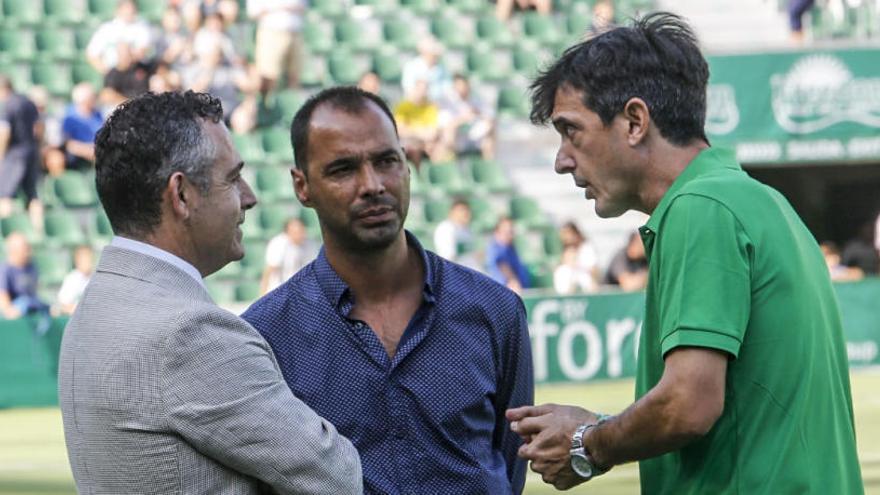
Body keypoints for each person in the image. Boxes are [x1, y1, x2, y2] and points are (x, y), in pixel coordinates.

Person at [506, 12, 862, 494]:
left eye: (572, 131)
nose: (562, 160)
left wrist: (587, 443)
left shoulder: (700, 208)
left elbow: (688, 404)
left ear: (635, 121)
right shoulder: (758, 201)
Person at [58, 91, 361, 494]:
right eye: (232, 178)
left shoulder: (95, 309)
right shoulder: (189, 334)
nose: (249, 197)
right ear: (181, 195)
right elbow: (335, 477)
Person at [242, 86, 533, 494]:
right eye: (343, 169)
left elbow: (508, 464)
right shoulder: (265, 335)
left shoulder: (495, 310)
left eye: (386, 161)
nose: (372, 184)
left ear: (407, 166)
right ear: (301, 186)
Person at [0, 75, 43, 227]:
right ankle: (38, 232)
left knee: (5, 195)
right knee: (33, 196)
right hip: (31, 151)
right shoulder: (28, 102)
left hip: (14, 154)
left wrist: (1, 156)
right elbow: (39, 128)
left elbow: (5, 133)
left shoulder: (8, 105)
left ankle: (5, 231)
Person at [247, 0, 307, 95]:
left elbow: (302, 6)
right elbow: (253, 12)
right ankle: (269, 106)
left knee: (295, 76)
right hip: (271, 32)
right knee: (269, 76)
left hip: (295, 32)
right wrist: (280, 6)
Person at [86, 0, 153, 75]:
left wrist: (125, 59)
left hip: (136, 72)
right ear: (119, 10)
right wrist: (108, 73)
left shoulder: (142, 26)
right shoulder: (106, 28)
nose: (129, 11)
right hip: (113, 73)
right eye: (126, 8)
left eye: (131, 8)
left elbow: (142, 51)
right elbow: (92, 54)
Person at [0, 233, 50, 333]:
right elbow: (3, 299)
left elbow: (34, 292)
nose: (28, 250)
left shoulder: (32, 266)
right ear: (13, 250)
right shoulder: (5, 269)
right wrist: (11, 311)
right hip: (14, 311)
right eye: (24, 247)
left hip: (30, 305)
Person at [439, 74, 497, 159]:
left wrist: (478, 113)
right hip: (457, 136)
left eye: (464, 85)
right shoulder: (449, 101)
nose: (462, 88)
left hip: (474, 134)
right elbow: (446, 123)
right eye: (459, 85)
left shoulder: (476, 99)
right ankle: (452, 161)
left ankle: (488, 163)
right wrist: (463, 119)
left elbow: (490, 115)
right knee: (448, 133)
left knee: (490, 128)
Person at [260, 217, 317, 294]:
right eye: (295, 232)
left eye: (301, 231)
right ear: (287, 232)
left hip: (300, 291)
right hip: (278, 291)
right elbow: (269, 271)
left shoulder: (310, 244)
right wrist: (262, 294)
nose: (299, 234)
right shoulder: (278, 244)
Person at [61, 83, 103, 172]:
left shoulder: (98, 114)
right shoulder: (69, 116)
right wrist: (87, 151)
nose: (94, 100)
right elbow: (68, 143)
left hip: (96, 150)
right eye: (91, 98)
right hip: (79, 156)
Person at [485, 217, 530, 294]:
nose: (509, 235)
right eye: (506, 232)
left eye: (511, 232)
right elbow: (502, 265)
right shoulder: (495, 249)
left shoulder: (511, 248)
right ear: (497, 233)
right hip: (503, 294)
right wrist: (512, 281)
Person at [552, 221, 599, 294]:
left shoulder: (587, 248)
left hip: (584, 278)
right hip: (571, 280)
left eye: (568, 233)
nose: (566, 237)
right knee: (562, 271)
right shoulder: (565, 249)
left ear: (575, 233)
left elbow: (593, 270)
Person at [432, 198, 477, 266]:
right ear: (452, 212)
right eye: (461, 210)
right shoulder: (445, 228)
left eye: (467, 210)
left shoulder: (467, 230)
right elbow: (447, 258)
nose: (465, 213)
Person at [56, 245, 95, 316]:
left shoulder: (96, 278)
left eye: (89, 259)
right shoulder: (72, 279)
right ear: (77, 261)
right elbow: (63, 304)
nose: (88, 263)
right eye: (84, 260)